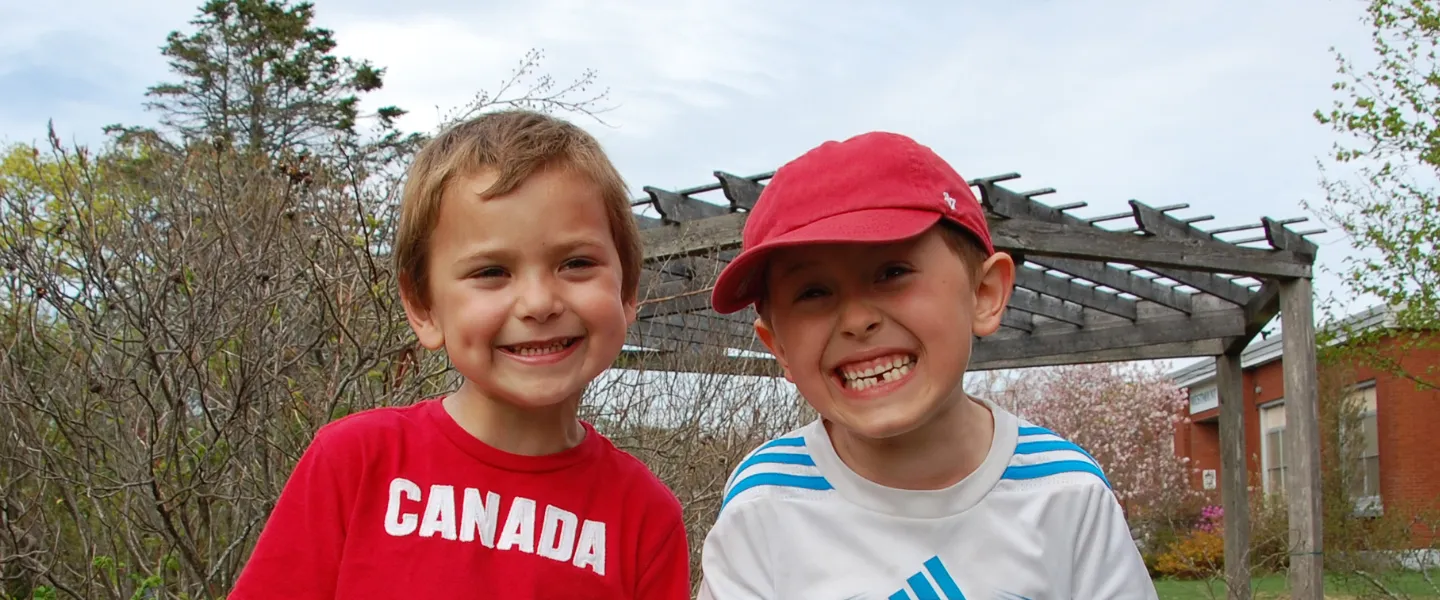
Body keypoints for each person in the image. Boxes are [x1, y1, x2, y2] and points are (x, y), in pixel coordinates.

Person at [230, 110, 691, 599]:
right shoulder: (357, 463)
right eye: (491, 272)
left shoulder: (645, 517)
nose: (538, 303)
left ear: (627, 291)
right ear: (424, 306)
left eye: (576, 263)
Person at [697, 131, 1157, 599]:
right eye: (812, 292)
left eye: (892, 273)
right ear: (778, 348)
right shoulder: (764, 504)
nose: (856, 320)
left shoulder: (1065, 492)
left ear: (984, 294)